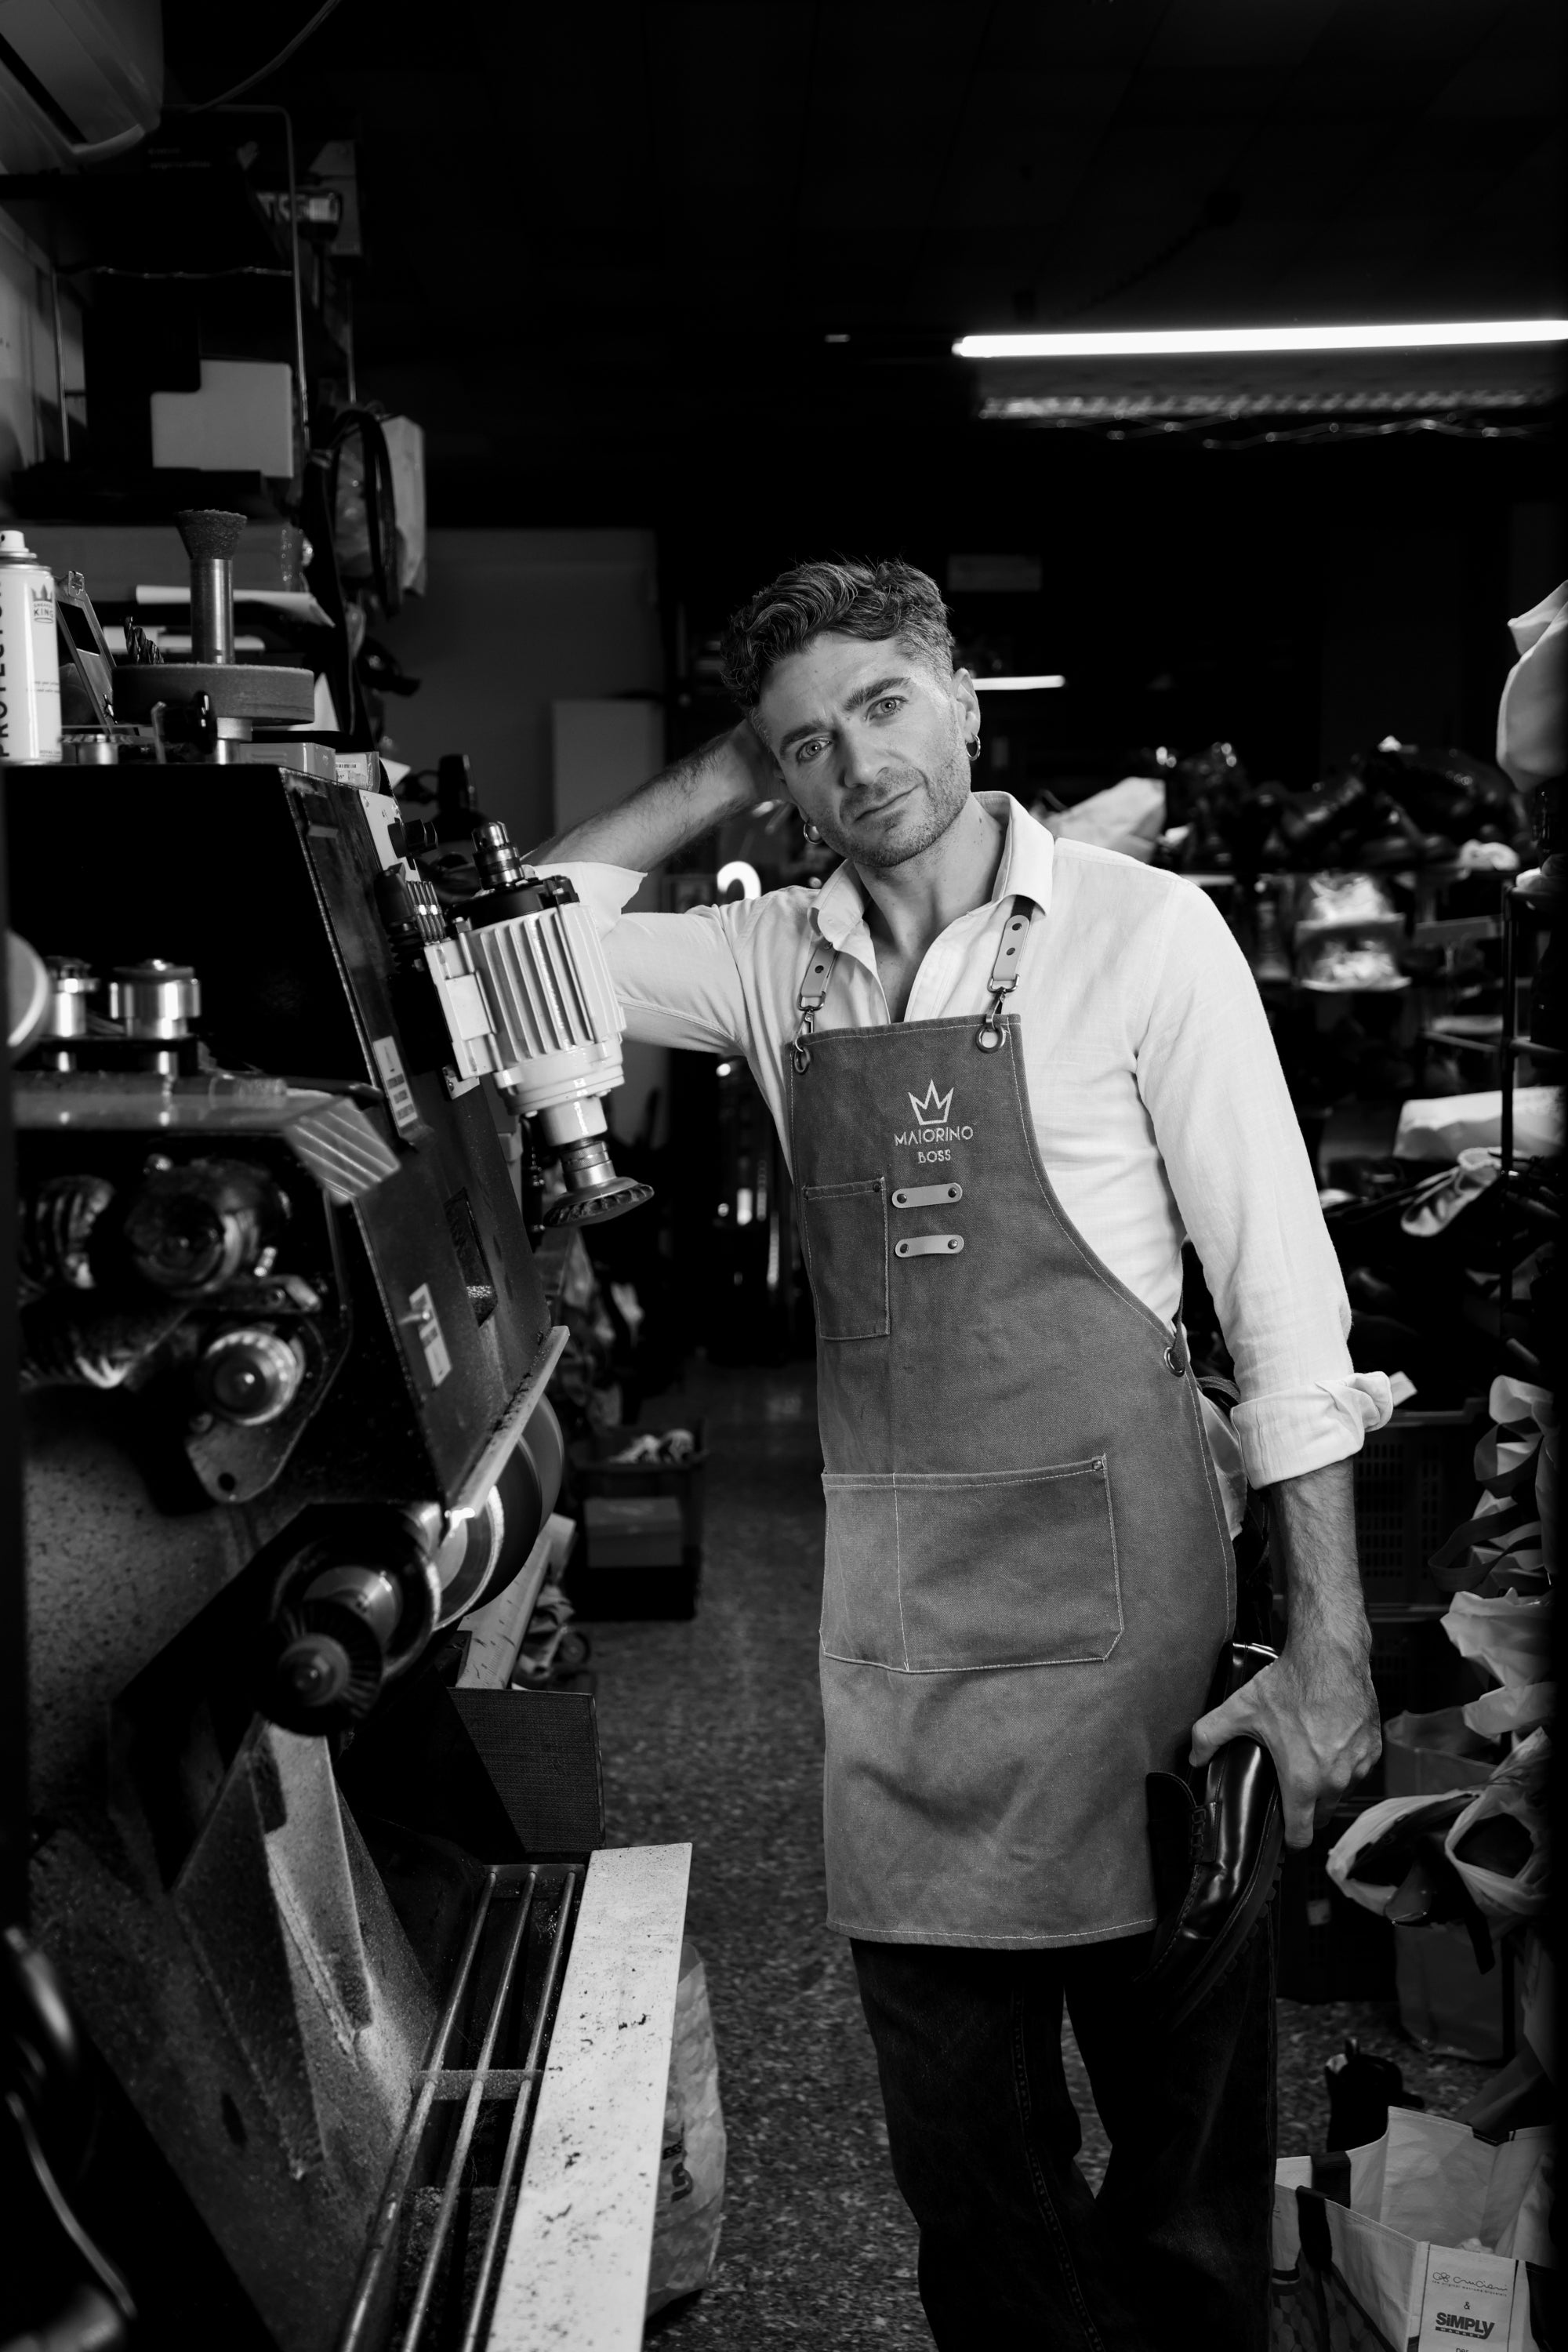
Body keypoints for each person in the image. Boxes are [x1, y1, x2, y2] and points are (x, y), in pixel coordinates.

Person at [535, 559, 1389, 2350]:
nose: (859, 763)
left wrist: (1331, 1646)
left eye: (883, 705)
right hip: (907, 1653)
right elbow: (507, 955)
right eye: (807, 744)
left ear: (964, 699)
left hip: (1140, 1637)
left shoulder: (1146, 934)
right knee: (972, 2185)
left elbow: (1282, 1302)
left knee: (1184, 2189)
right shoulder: (771, 960)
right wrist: (719, 774)